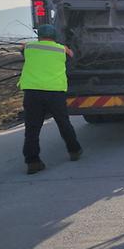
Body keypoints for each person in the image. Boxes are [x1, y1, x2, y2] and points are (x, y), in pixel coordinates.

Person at [18, 24, 83, 174]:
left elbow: (21, 49)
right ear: (54, 37)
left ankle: (32, 162)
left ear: (39, 36)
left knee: (32, 128)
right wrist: (66, 48)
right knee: (63, 123)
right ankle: (74, 151)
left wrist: (26, 45)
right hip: (54, 93)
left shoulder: (29, 48)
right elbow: (72, 56)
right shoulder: (60, 49)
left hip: (33, 93)